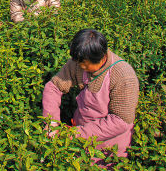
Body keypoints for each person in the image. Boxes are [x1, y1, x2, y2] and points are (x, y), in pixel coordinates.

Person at [42, 29, 139, 165]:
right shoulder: (79, 62)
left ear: (101, 57)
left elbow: (121, 121)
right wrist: (51, 123)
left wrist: (75, 134)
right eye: (79, 62)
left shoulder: (123, 76)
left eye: (84, 64)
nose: (80, 67)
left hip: (107, 149)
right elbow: (53, 87)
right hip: (79, 138)